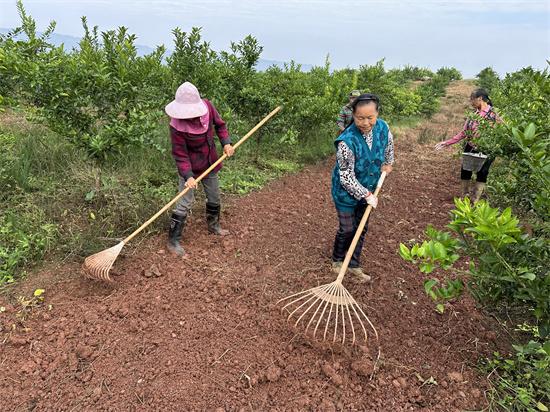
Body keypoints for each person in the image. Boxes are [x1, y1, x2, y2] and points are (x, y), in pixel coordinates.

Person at [164, 82, 235, 256]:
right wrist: (188, 176)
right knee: (185, 203)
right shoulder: (176, 125)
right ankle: (173, 242)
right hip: (189, 167)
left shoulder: (208, 108)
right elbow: (180, 154)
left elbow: (220, 125)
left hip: (210, 162)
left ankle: (213, 226)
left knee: (214, 196)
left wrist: (226, 143)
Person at [331, 93, 394, 282]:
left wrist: (388, 163)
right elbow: (346, 177)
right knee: (347, 229)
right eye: (360, 118)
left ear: (377, 113)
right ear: (353, 115)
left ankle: (353, 264)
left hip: (370, 185)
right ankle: (337, 260)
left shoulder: (383, 127)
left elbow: (388, 145)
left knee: (361, 227)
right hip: (345, 192)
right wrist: (366, 195)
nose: (365, 123)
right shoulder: (346, 142)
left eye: (370, 117)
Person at [435, 88, 499, 203]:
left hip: (487, 149)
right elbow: (464, 133)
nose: (471, 102)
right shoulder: (472, 115)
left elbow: (502, 131)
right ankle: (465, 195)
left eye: (472, 99)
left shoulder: (495, 114)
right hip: (471, 146)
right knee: (465, 170)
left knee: (483, 172)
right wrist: (447, 142)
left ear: (480, 98)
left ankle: (476, 197)